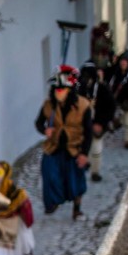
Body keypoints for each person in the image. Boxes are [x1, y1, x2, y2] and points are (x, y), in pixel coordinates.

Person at [35, 65, 92, 220]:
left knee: (76, 181)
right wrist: (44, 130)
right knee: (49, 174)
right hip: (53, 147)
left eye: (62, 90)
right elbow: (39, 123)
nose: (58, 93)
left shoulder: (83, 105)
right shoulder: (49, 105)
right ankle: (53, 202)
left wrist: (84, 154)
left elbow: (88, 132)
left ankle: (77, 209)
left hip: (74, 148)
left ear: (69, 90)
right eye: (56, 90)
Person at [0, 161, 35, 255]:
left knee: (22, 240)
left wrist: (26, 217)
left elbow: (23, 201)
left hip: (13, 220)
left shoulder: (14, 191)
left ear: (5, 175)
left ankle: (27, 253)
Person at [77, 61, 116, 182]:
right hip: (82, 125)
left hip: (97, 123)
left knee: (96, 149)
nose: (86, 80)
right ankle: (84, 164)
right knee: (82, 147)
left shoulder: (102, 89)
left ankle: (95, 171)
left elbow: (111, 107)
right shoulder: (79, 90)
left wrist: (101, 123)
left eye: (88, 77)